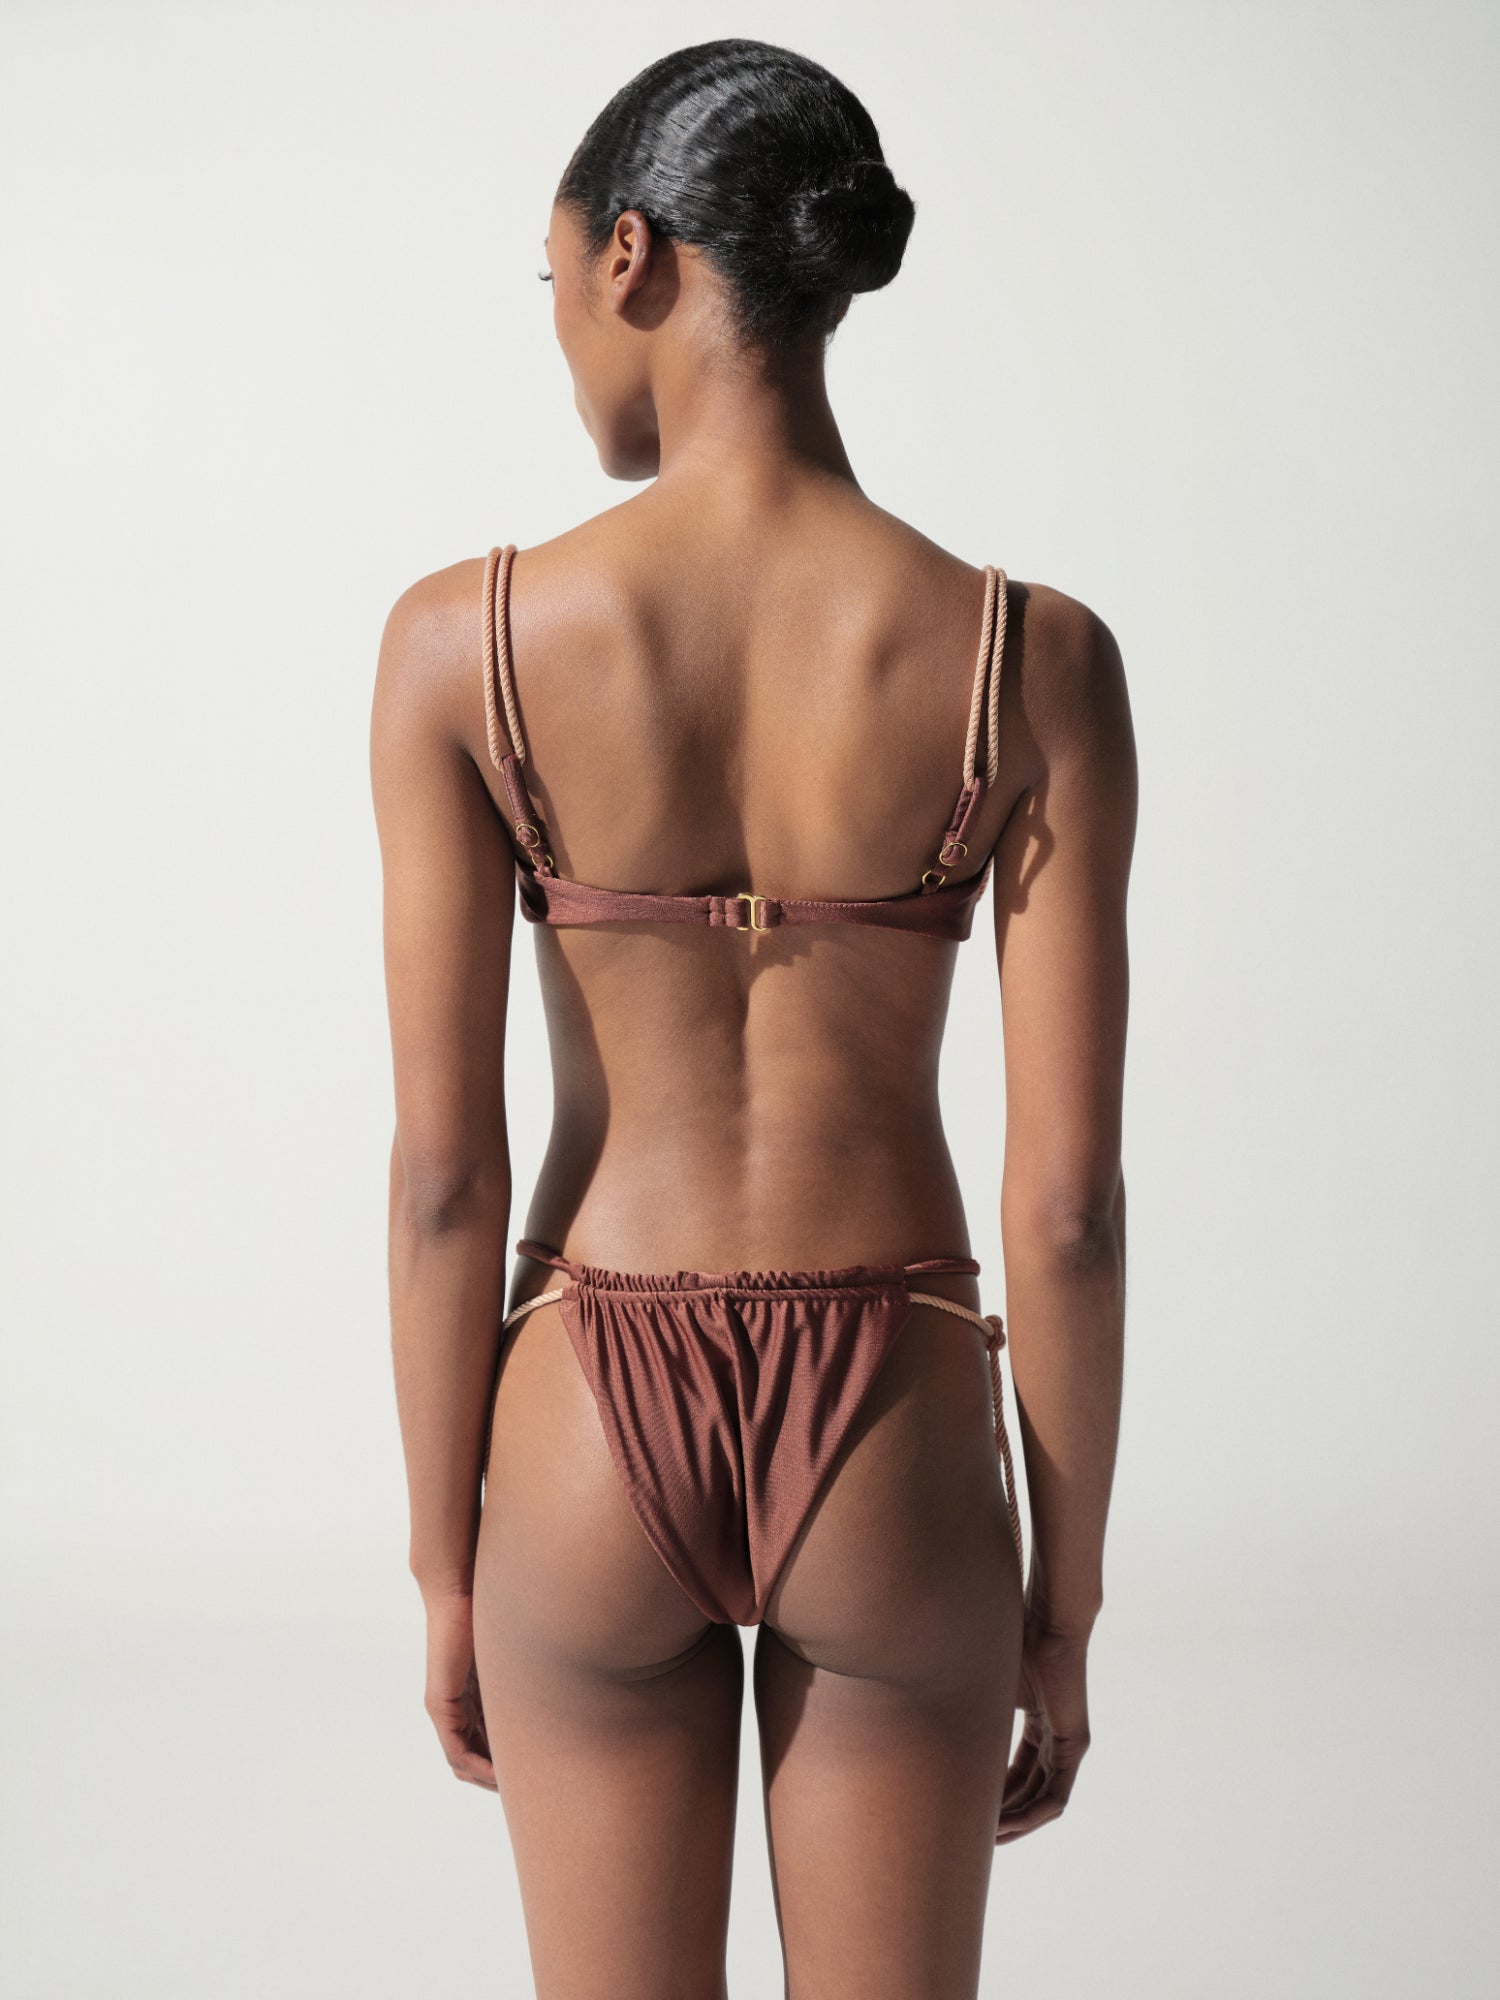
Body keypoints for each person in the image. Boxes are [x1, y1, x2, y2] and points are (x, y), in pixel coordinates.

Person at [371, 36, 1135, 2000]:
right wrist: (1063, 1603)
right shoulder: (1029, 660)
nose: (559, 331)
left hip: (588, 1410)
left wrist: (448, 1566)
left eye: (552, 281)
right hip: (896, 1403)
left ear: (628, 258)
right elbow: (1067, 1211)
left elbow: (447, 1179)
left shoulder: (467, 646)